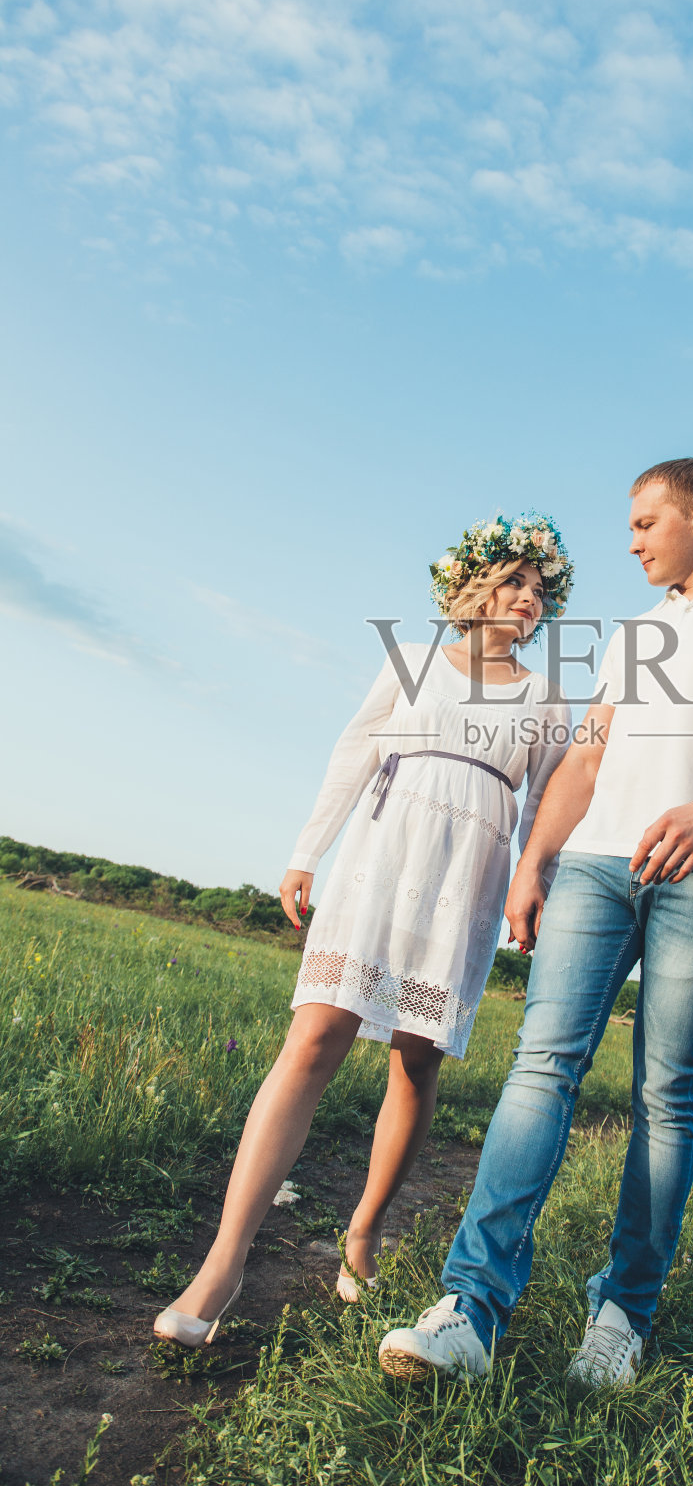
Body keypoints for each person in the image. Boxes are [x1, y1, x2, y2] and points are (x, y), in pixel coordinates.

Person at [378, 457, 693, 1386]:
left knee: (666, 1097)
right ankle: (471, 1306)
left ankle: (621, 1316)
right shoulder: (634, 633)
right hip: (595, 868)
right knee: (541, 1066)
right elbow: (585, 761)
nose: (628, 542)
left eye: (642, 524)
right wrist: (536, 860)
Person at [153, 514, 574, 1349]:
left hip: (467, 875)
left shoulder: (544, 696)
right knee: (312, 1039)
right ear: (474, 586)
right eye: (514, 581)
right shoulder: (413, 665)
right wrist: (306, 851)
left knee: (415, 1062)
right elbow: (352, 754)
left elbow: (546, 809)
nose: (528, 599)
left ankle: (364, 1229)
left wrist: (537, 889)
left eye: (539, 589)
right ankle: (223, 1264)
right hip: (380, 854)